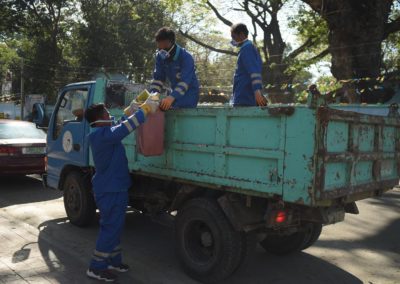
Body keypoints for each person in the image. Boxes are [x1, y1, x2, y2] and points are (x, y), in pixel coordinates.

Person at [84, 99, 158, 282]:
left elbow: (118, 125)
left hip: (113, 187)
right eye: (107, 114)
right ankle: (96, 267)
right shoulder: (103, 135)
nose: (110, 116)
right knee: (110, 227)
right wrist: (145, 109)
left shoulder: (103, 133)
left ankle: (113, 261)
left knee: (114, 227)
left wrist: (130, 110)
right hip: (110, 189)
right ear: (100, 119)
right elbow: (125, 128)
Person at [150, 27, 199, 110]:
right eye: (159, 45)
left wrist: (171, 97)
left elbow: (184, 82)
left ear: (171, 43)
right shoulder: (160, 57)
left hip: (189, 96)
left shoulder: (186, 57)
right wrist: (153, 95)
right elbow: (158, 78)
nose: (161, 48)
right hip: (173, 96)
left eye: (164, 45)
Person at [231, 23, 267, 106]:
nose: (232, 40)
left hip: (245, 97)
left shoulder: (247, 49)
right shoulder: (246, 48)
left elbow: (254, 71)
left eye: (234, 37)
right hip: (244, 96)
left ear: (241, 35)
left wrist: (257, 91)